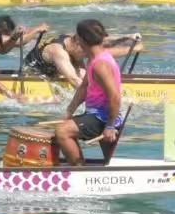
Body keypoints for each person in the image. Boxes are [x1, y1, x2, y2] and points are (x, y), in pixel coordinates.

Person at [52, 19, 123, 164]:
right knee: (109, 162)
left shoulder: (100, 65)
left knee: (62, 131)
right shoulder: (94, 59)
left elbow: (115, 97)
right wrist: (69, 112)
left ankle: (78, 170)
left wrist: (110, 126)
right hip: (95, 114)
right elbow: (84, 87)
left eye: (77, 36)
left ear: (82, 40)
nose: (75, 40)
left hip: (102, 118)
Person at [24, 20, 141, 89]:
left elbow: (101, 40)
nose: (87, 53)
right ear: (78, 44)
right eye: (85, 50)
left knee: (86, 75)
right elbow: (74, 80)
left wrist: (128, 37)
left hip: (57, 66)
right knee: (80, 78)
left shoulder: (75, 39)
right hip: (34, 73)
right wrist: (102, 97)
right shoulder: (58, 51)